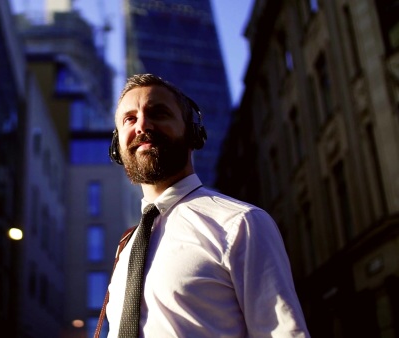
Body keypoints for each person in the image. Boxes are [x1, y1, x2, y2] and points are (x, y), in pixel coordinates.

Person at [96, 73, 310, 337]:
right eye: (130, 119)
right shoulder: (126, 249)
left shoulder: (241, 223)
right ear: (117, 146)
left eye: (159, 113)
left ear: (193, 134)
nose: (142, 125)